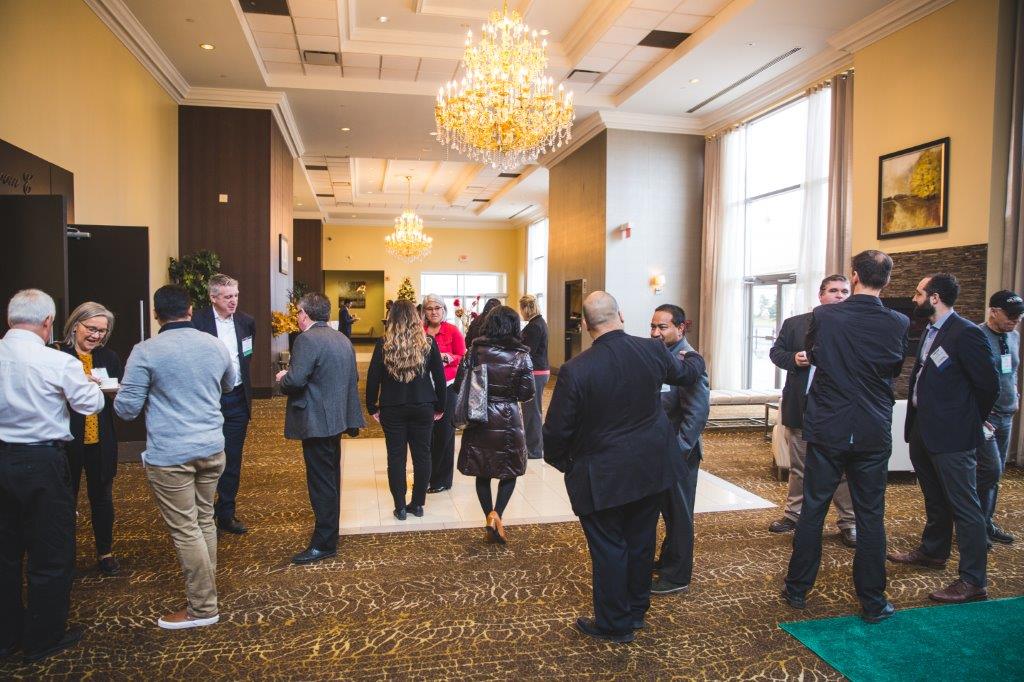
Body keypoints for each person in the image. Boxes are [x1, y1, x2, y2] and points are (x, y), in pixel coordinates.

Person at [543, 291, 706, 643]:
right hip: (651, 469)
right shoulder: (652, 350)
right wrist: (694, 356)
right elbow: (688, 372)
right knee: (641, 539)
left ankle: (615, 623)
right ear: (621, 315)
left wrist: (565, 463)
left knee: (608, 548)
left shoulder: (575, 370)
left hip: (602, 475)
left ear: (586, 325)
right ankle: (635, 610)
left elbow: (556, 431)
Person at [783, 251, 909, 623]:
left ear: (854, 277)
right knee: (871, 516)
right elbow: (894, 367)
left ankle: (796, 589)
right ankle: (873, 601)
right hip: (871, 427)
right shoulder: (899, 321)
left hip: (828, 427)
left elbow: (818, 355)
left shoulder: (824, 316)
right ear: (885, 281)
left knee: (814, 508)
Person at [114, 284, 234, 630]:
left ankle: (202, 607)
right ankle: (206, 593)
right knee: (204, 520)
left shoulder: (146, 351)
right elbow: (228, 385)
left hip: (172, 454)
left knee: (186, 529)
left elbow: (126, 409)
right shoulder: (215, 345)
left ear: (156, 314)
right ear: (191, 309)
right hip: (212, 446)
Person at [0, 289, 104, 662]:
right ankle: (42, 637)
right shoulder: (57, 362)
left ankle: (5, 636)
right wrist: (91, 387)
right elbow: (89, 404)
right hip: (42, 462)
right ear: (48, 323)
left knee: (5, 553)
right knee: (50, 551)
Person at [888, 273, 1000, 603]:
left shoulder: (965, 333)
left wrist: (969, 421)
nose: (913, 298)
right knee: (935, 499)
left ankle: (973, 580)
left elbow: (988, 386)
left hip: (953, 435)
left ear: (934, 298)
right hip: (923, 429)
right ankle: (933, 552)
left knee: (966, 507)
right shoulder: (930, 330)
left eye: (918, 293)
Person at [768, 275, 857, 548]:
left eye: (844, 291)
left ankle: (849, 522)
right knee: (800, 467)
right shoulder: (796, 324)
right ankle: (793, 515)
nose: (839, 295)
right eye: (833, 291)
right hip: (801, 406)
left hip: (837, 411)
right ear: (821, 295)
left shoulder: (855, 326)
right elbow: (776, 352)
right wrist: (793, 358)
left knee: (841, 470)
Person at [276, 292, 363, 565]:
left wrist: (282, 378)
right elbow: (353, 378)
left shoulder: (307, 339)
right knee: (331, 479)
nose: (298, 318)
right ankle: (330, 535)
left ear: (306, 314)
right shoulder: (342, 339)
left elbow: (296, 381)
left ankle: (324, 543)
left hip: (315, 421)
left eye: (299, 313)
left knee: (321, 484)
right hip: (336, 419)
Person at [457, 306, 535, 543]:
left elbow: (461, 381)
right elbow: (527, 392)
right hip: (508, 418)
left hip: (478, 416)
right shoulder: (521, 356)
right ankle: (497, 514)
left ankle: (488, 516)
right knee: (509, 470)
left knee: (483, 471)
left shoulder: (475, 351)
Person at [648, 304, 709, 595]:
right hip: (660, 451)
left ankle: (678, 575)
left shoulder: (688, 359)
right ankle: (669, 560)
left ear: (680, 328)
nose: (656, 332)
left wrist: (680, 450)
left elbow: (697, 413)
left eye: (663, 327)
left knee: (680, 514)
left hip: (680, 453)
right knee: (669, 511)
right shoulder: (663, 355)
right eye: (653, 326)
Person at [366, 300, 446, 520]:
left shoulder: (384, 343)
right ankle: (418, 504)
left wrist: (372, 405)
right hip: (423, 406)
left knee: (396, 457)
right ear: (416, 317)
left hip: (392, 407)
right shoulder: (428, 342)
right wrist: (441, 406)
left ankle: (400, 506)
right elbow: (439, 378)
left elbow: (373, 377)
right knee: (422, 456)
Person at [59, 302, 124, 576]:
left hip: (100, 437)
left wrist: (113, 392)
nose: (96, 336)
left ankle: (105, 552)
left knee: (102, 498)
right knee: (64, 499)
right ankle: (63, 554)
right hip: (66, 440)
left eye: (102, 331)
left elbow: (120, 397)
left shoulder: (108, 357)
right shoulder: (56, 354)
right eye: (92, 329)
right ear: (76, 325)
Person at [193, 274, 256, 536]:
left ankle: (226, 513)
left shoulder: (245, 322)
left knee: (232, 459)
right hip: (208, 399)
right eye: (228, 297)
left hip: (237, 399)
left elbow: (247, 356)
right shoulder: (197, 322)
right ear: (213, 297)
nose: (233, 301)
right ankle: (202, 513)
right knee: (206, 458)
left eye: (236, 296)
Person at [976, 290, 1022, 545]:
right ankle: (973, 525)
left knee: (997, 472)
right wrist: (977, 415)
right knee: (989, 470)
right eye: (1010, 315)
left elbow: (1011, 371)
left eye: (1019, 315)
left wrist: (1014, 395)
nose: (1015, 320)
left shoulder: (1014, 336)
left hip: (1007, 413)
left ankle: (986, 522)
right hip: (986, 417)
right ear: (993, 311)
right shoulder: (976, 336)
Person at [422, 294, 466, 494]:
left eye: (437, 308)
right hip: (424, 387)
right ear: (424, 311)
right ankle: (427, 475)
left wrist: (449, 357)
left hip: (448, 386)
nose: (434, 312)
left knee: (444, 434)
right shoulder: (419, 331)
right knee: (425, 434)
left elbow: (463, 357)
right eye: (430, 308)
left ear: (444, 310)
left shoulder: (452, 331)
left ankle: (442, 479)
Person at [519, 294, 549, 460]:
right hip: (539, 372)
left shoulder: (534, 326)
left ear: (526, 308)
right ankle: (535, 446)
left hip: (535, 373)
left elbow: (527, 350)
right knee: (532, 411)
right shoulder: (538, 323)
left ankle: (534, 450)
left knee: (532, 413)